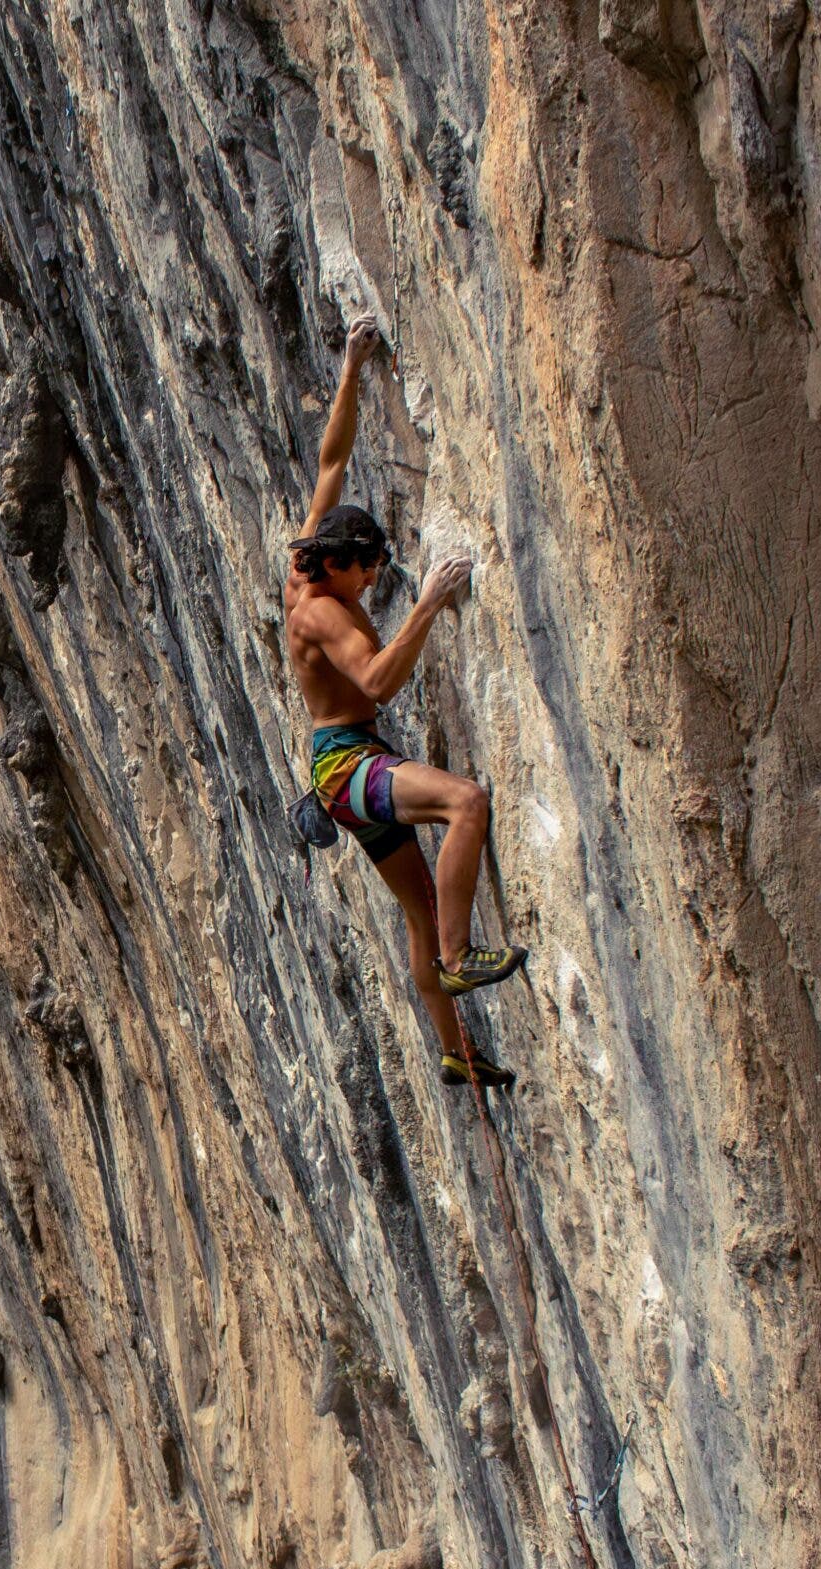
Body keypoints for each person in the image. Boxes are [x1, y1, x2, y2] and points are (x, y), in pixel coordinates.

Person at [281, 316, 527, 1088]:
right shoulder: (319, 610)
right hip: (349, 767)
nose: (373, 583)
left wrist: (351, 368)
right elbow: (379, 681)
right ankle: (460, 961)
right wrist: (426, 604)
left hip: (346, 772)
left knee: (420, 904)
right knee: (466, 803)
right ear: (343, 566)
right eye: (371, 572)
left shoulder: (310, 553)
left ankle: (458, 1052)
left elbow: (332, 457)